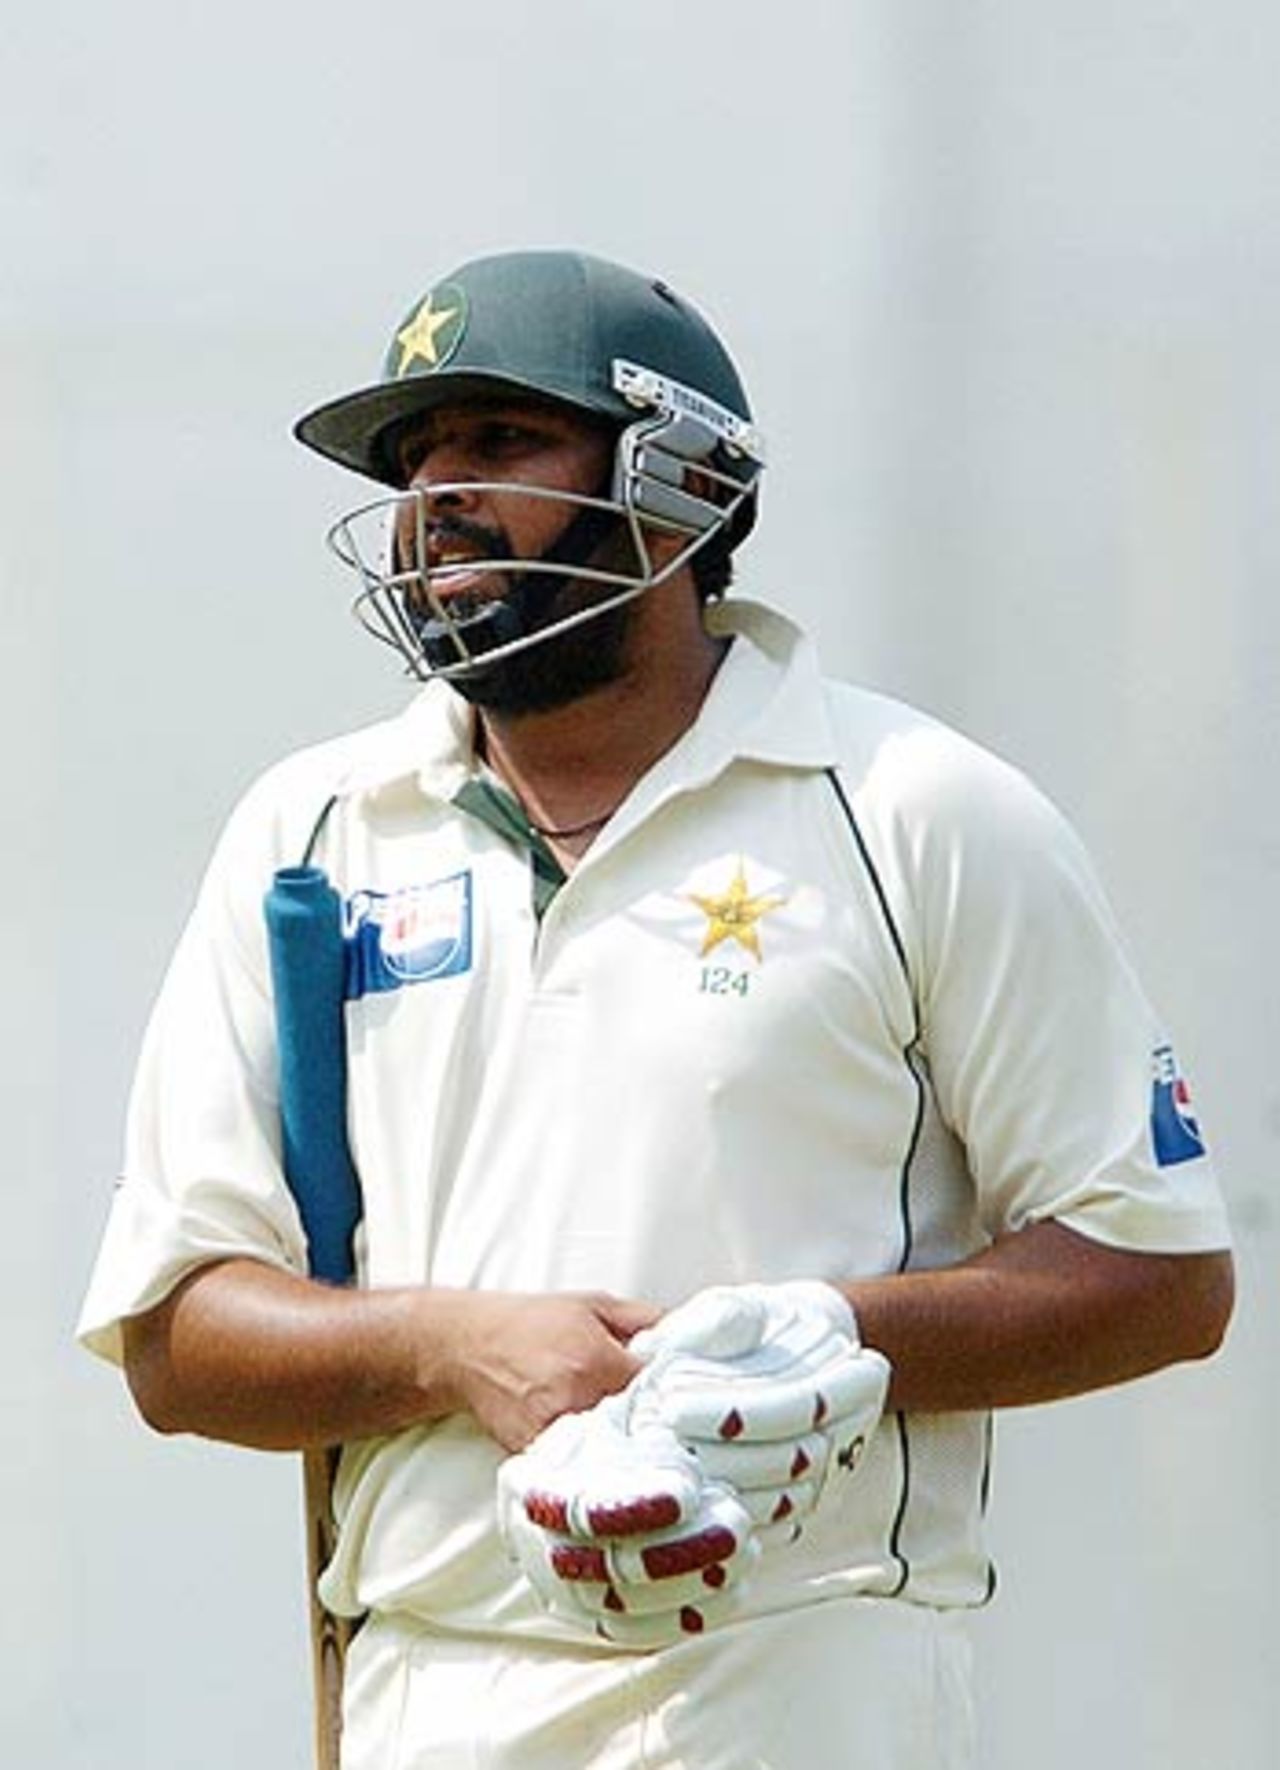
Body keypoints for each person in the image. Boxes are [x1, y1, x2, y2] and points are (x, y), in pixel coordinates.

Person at [78, 248, 1234, 1770]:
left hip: (804, 1677)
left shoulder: (917, 814)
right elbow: (177, 1333)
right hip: (430, 1684)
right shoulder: (313, 831)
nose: (439, 506)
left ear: (677, 482)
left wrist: (814, 1340)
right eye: (418, 465)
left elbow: (1157, 1271)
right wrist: (451, 1346)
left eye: (497, 442)